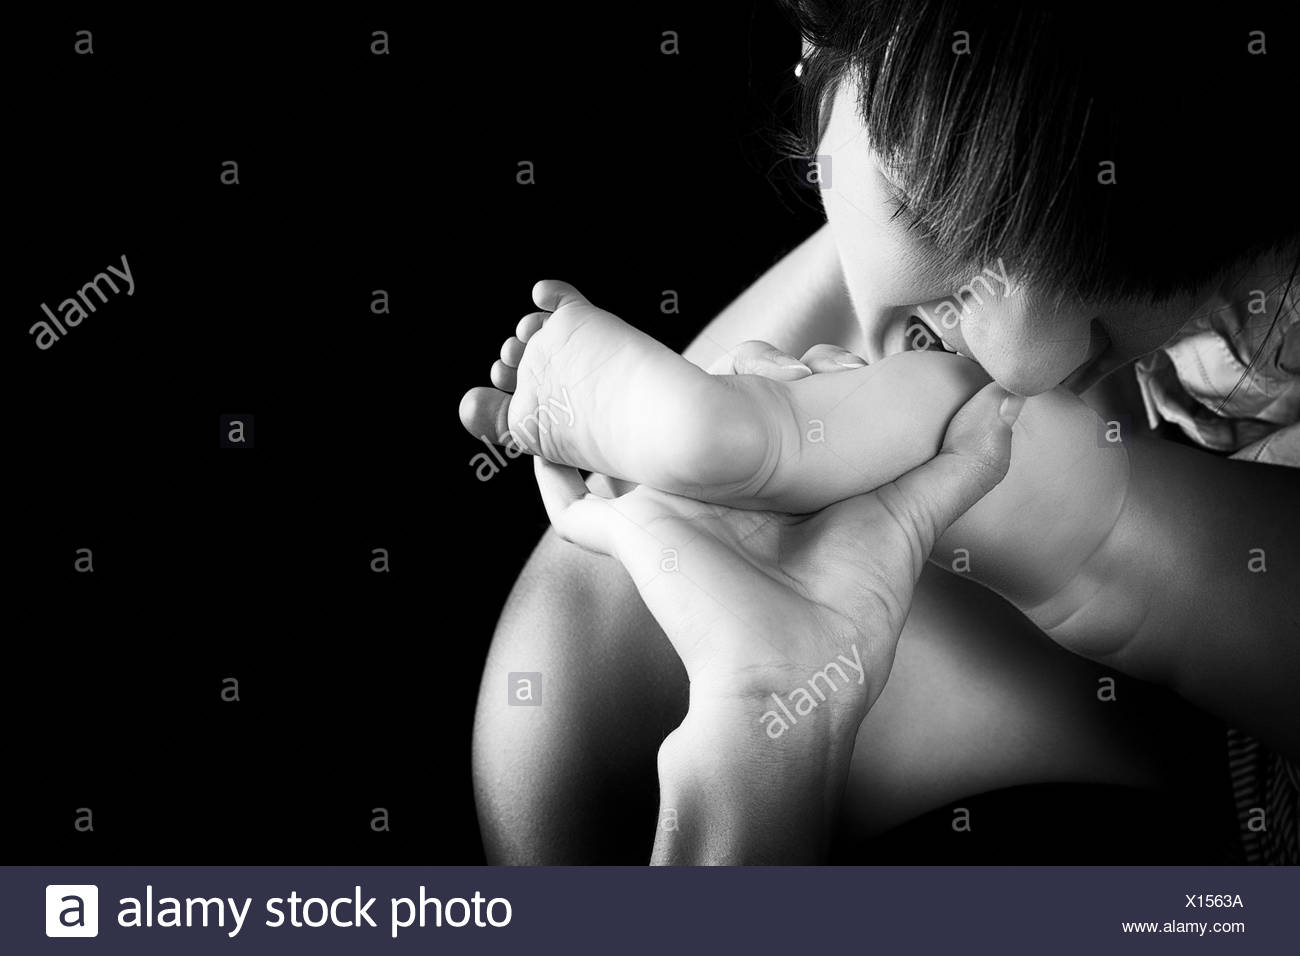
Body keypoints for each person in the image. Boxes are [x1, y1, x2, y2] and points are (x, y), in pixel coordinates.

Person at [462, 0, 1300, 863]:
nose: (1020, 365)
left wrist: (1092, 526)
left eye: (1137, 280)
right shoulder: (600, 670)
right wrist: (767, 719)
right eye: (938, 216)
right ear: (812, 42)